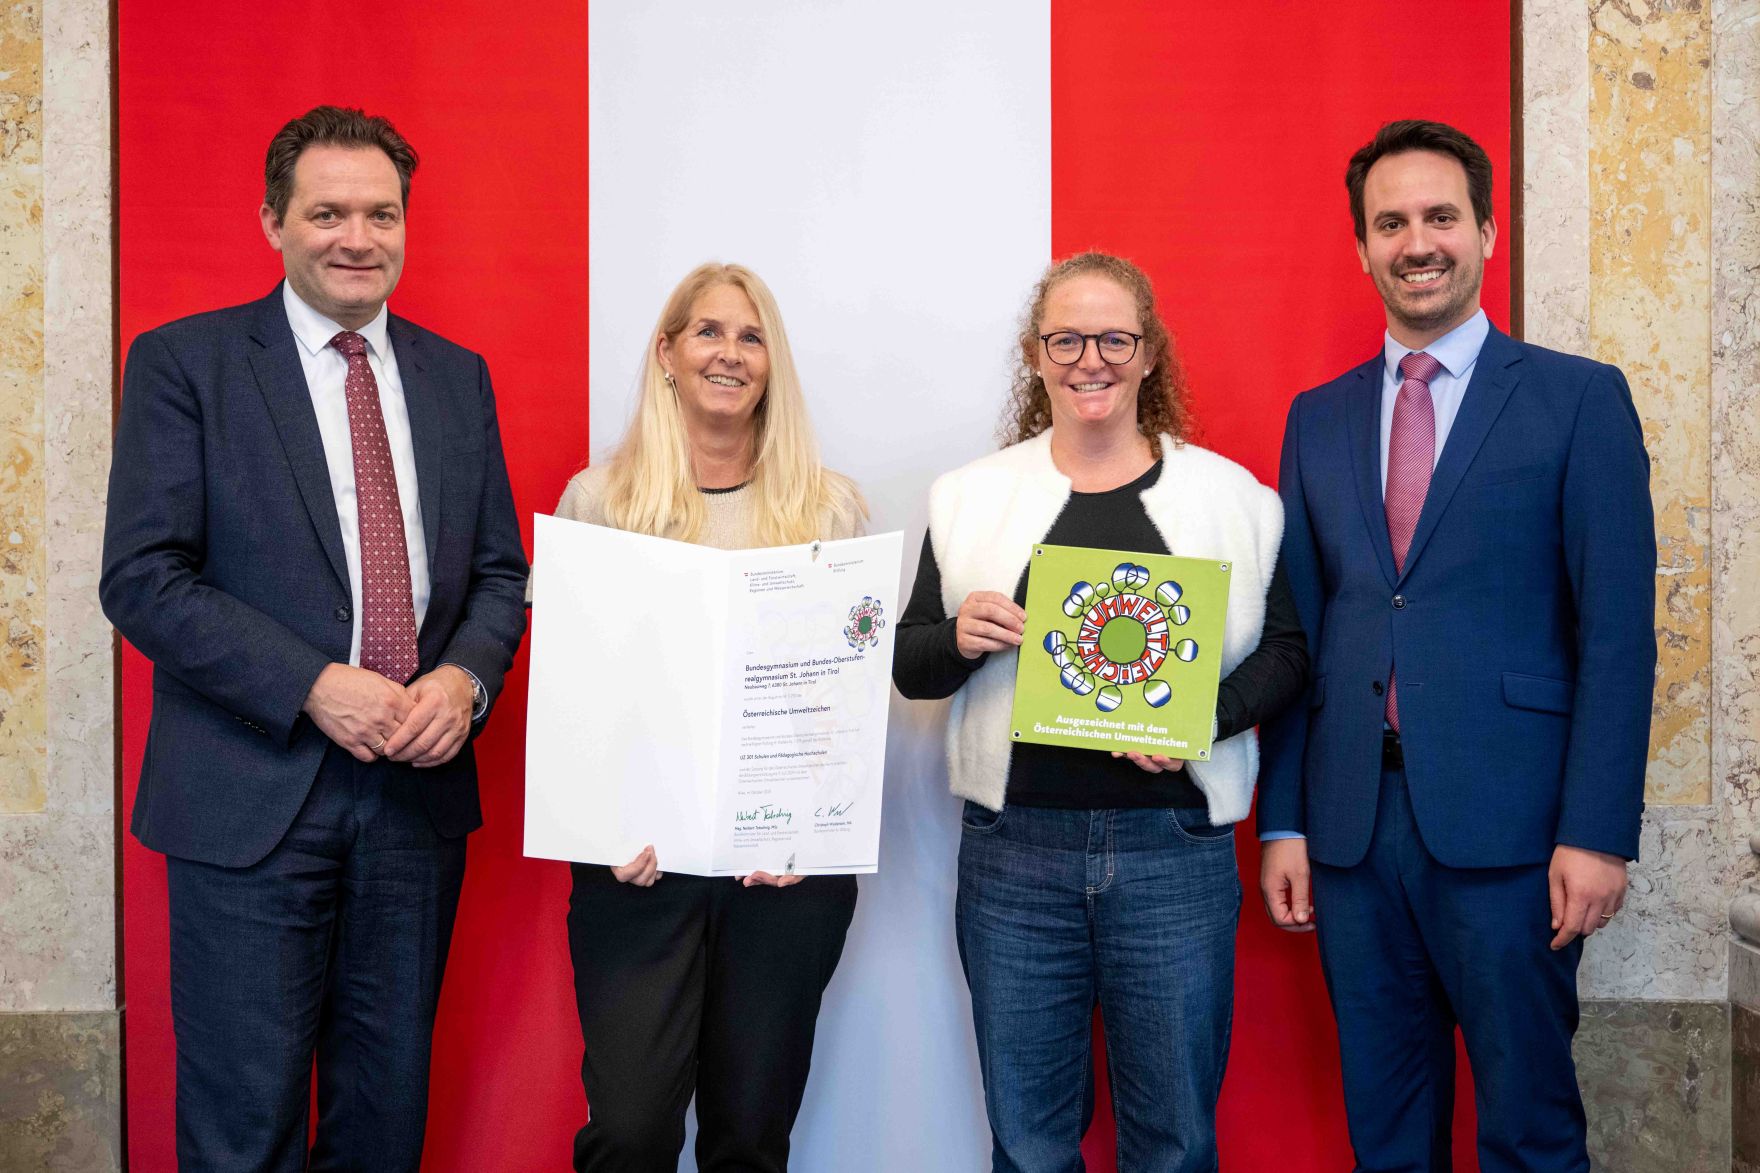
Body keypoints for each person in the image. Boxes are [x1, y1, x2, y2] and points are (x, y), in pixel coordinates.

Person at [99, 106, 528, 1171]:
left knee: (383, 1127)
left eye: (380, 213)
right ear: (272, 222)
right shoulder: (186, 364)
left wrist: (465, 682)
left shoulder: (453, 375)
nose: (357, 236)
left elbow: (495, 574)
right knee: (245, 1128)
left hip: (410, 803)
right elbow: (143, 578)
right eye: (327, 212)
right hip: (252, 795)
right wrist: (311, 685)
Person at [1257, 119, 1656, 1171]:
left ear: (1483, 230)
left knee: (1526, 1128)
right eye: (1389, 223)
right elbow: (1305, 630)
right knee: (1387, 1138)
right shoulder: (1316, 419)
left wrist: (1597, 832)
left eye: (1438, 216)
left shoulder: (1577, 399)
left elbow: (1616, 637)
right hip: (1350, 833)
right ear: (1360, 248)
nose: (1414, 241)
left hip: (1515, 835)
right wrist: (1285, 821)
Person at [893, 251, 1307, 1171]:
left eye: (1115, 338)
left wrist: (1203, 715)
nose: (1092, 359)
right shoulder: (968, 499)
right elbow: (912, 667)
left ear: (1150, 352)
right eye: (1067, 339)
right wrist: (959, 636)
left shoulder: (1236, 500)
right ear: (1035, 357)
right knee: (1031, 1143)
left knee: (1174, 1141)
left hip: (1175, 855)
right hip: (1014, 854)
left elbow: (1287, 657)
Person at [548, 262, 866, 1172]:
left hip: (785, 877)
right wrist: (594, 823)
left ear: (773, 363)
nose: (731, 352)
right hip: (637, 868)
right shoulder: (598, 502)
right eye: (710, 332)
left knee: (750, 1136)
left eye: (752, 335)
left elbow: (843, 700)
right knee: (632, 1132)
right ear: (668, 354)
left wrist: (806, 832)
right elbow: (574, 697)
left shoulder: (830, 508)